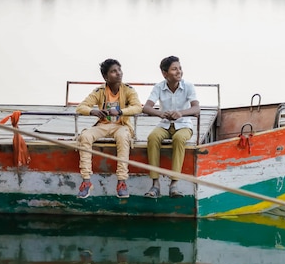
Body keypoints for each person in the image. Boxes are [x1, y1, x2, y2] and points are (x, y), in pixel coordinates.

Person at [75, 58, 143, 199]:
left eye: (119, 70)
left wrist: (120, 112)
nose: (118, 73)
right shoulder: (100, 91)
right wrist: (93, 111)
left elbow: (137, 107)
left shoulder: (128, 90)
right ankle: (86, 181)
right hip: (103, 125)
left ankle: (121, 181)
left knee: (123, 137)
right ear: (106, 77)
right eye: (113, 71)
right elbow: (81, 107)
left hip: (121, 126)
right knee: (85, 136)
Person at [143, 56, 200, 198]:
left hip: (184, 125)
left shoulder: (188, 86)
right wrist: (161, 114)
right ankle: (155, 184)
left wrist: (180, 113)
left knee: (179, 139)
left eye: (180, 68)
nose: (179, 71)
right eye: (174, 69)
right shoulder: (159, 87)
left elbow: (196, 108)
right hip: (165, 125)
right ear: (165, 73)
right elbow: (146, 108)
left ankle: (174, 184)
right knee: (153, 137)